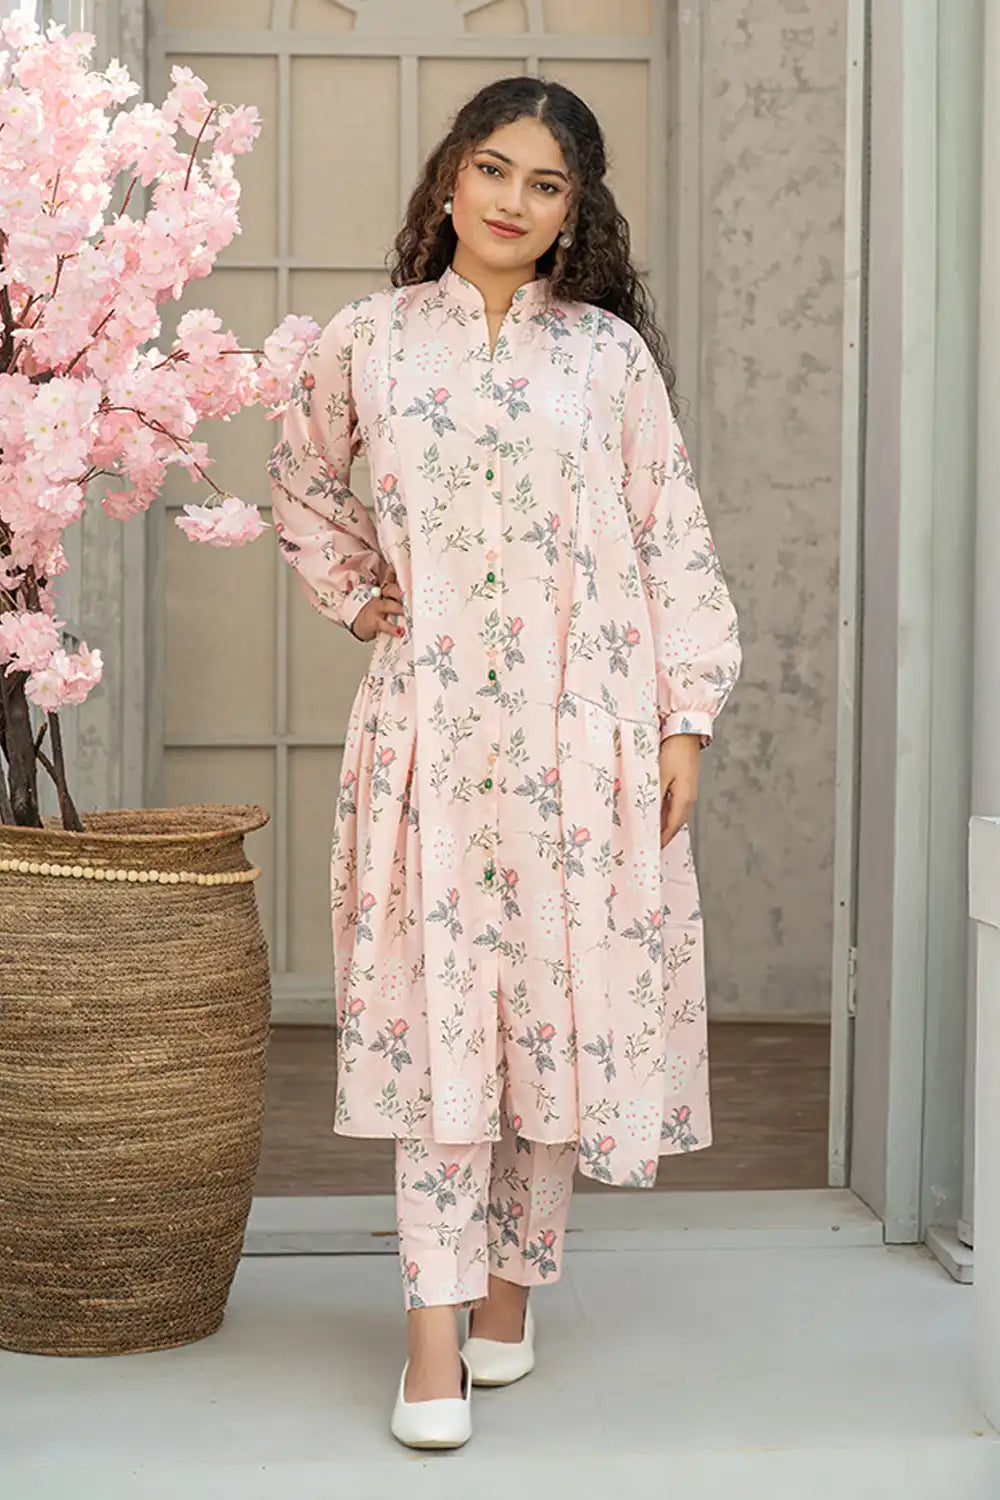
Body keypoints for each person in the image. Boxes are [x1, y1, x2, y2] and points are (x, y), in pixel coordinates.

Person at [268, 75, 741, 1450]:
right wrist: (360, 599)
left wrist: (685, 719)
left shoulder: (607, 358)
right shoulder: (368, 341)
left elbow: (671, 535)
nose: (512, 202)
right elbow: (302, 482)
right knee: (440, 1027)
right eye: (492, 169)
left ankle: (511, 1297)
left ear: (576, 210)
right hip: (431, 735)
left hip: (586, 738)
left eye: (546, 184)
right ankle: (432, 1339)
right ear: (449, 176)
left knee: (555, 1017)